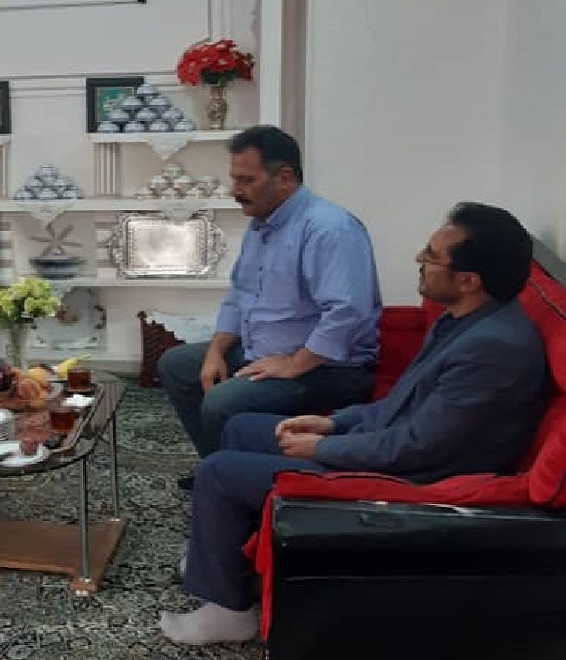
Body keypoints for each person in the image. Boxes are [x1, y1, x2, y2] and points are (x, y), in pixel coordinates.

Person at [160, 202, 548, 645]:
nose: (418, 259)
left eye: (430, 254)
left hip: (415, 480)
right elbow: (399, 405)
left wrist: (322, 449)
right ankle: (226, 561)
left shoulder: (492, 349)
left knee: (219, 472)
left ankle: (228, 612)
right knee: (241, 427)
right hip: (396, 446)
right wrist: (332, 425)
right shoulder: (464, 321)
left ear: (468, 280)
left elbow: (416, 448)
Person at [158, 126, 382, 486]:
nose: (235, 191)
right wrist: (216, 351)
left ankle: (232, 480)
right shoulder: (262, 224)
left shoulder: (329, 228)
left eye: (246, 180)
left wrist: (293, 364)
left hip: (326, 368)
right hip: (263, 352)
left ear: (285, 178)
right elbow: (240, 294)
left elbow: (347, 312)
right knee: (177, 364)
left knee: (222, 402)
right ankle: (219, 466)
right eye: (234, 179)